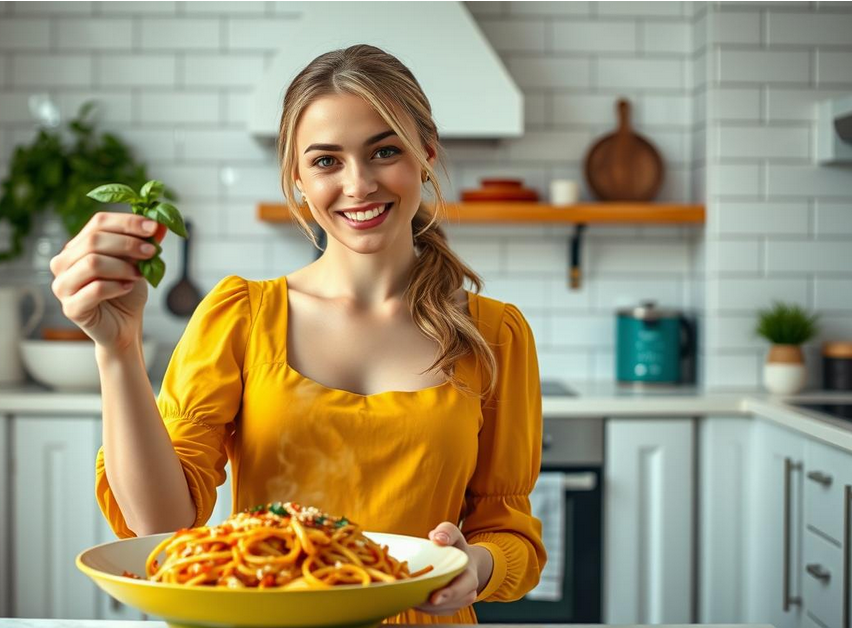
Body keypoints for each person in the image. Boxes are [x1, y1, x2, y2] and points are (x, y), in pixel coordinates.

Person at [49, 44, 546, 624]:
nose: (358, 184)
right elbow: (161, 524)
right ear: (298, 179)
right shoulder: (240, 316)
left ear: (426, 157)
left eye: (384, 151)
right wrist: (117, 349)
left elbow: (509, 534)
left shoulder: (495, 335)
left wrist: (474, 566)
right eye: (327, 161)